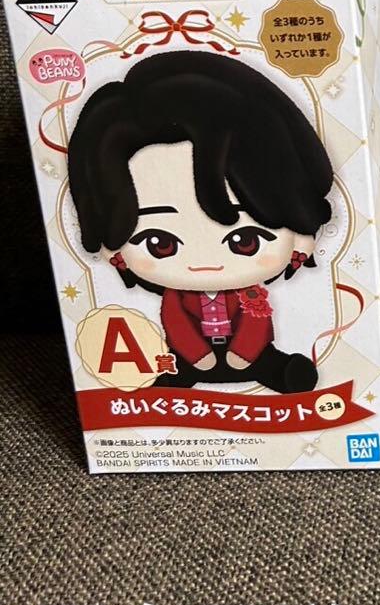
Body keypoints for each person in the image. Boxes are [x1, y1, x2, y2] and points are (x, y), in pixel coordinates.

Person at [67, 50, 333, 393]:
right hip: (191, 357)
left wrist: (242, 354)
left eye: (245, 241)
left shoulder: (251, 294)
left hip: (250, 355)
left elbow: (256, 322)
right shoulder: (177, 299)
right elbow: (176, 323)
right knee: (173, 371)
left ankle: (281, 373)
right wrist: (198, 355)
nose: (204, 263)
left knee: (271, 365)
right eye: (160, 244)